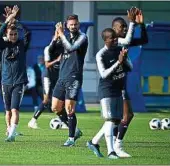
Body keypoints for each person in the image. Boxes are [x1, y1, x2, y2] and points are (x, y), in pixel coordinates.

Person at [87, 28, 133, 159]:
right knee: (110, 120)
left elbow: (131, 67)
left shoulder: (120, 50)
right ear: (105, 39)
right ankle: (111, 152)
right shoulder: (101, 54)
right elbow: (104, 74)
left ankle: (94, 142)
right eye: (112, 38)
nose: (115, 40)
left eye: (116, 38)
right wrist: (118, 62)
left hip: (118, 89)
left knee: (116, 120)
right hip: (106, 90)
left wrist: (124, 60)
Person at [112, 7, 148, 157]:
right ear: (114, 29)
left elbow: (144, 40)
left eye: (126, 26)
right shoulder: (114, 41)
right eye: (122, 26)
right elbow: (126, 40)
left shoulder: (123, 41)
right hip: (114, 84)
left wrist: (141, 25)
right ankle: (117, 146)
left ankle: (107, 144)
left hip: (120, 83)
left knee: (116, 119)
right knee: (128, 115)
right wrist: (133, 22)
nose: (125, 28)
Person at [0, 5, 31, 142]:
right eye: (11, 34)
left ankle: (12, 134)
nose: (14, 36)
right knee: (8, 111)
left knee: (15, 110)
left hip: (19, 82)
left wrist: (16, 21)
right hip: (5, 82)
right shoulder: (3, 45)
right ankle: (9, 128)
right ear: (7, 35)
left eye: (15, 34)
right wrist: (8, 19)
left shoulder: (22, 44)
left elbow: (28, 32)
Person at [51, 14, 87, 146]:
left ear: (79, 24)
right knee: (55, 107)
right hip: (62, 77)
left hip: (74, 77)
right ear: (67, 25)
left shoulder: (83, 37)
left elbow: (71, 48)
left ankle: (71, 139)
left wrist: (61, 35)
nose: (73, 26)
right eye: (71, 24)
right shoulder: (63, 37)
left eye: (75, 24)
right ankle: (75, 130)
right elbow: (51, 52)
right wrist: (55, 37)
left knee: (69, 108)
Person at [28, 34, 62, 129]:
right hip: (47, 76)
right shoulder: (48, 49)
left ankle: (63, 121)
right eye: (57, 39)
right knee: (46, 100)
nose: (59, 40)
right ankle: (32, 121)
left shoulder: (63, 49)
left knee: (59, 99)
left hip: (57, 76)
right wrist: (57, 60)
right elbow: (47, 65)